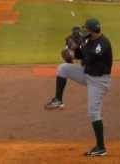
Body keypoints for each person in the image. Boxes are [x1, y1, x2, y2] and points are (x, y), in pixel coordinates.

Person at [45, 18, 113, 156]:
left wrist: (80, 45)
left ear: (93, 31)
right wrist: (71, 51)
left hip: (99, 81)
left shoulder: (103, 43)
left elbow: (90, 57)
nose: (84, 31)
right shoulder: (89, 41)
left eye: (86, 29)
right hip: (87, 74)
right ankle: (58, 100)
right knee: (63, 68)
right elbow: (81, 56)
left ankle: (101, 147)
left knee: (93, 112)